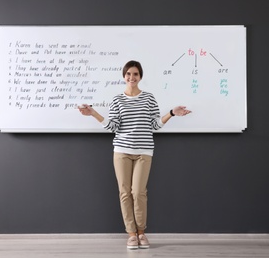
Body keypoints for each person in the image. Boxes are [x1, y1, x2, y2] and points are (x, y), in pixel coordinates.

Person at [78, 60, 191, 249]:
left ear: (140, 77)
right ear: (124, 76)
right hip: (121, 151)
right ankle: (131, 234)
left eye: (135, 74)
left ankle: (141, 233)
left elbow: (155, 124)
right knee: (124, 193)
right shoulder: (117, 100)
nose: (132, 77)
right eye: (128, 74)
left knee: (138, 193)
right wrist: (93, 113)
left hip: (144, 152)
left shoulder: (148, 98)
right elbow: (112, 127)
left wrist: (171, 113)